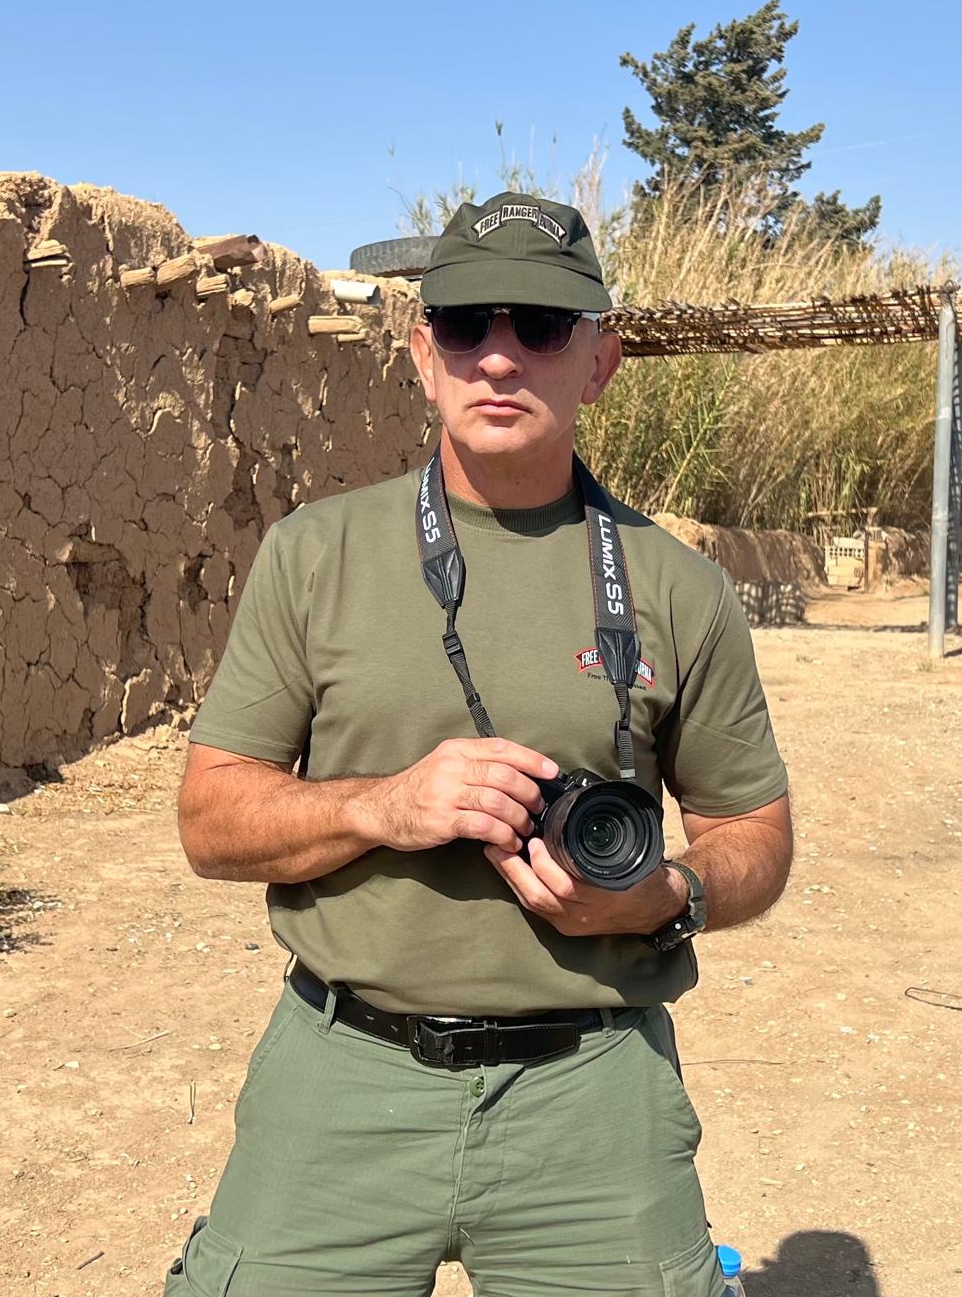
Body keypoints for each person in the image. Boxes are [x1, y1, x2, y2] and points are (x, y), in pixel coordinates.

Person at [165, 193, 794, 1296]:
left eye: (541, 327)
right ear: (422, 354)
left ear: (596, 361)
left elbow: (755, 833)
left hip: (593, 1093)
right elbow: (211, 823)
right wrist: (378, 807)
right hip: (340, 1078)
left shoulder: (680, 590)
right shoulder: (316, 554)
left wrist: (664, 896)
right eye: (465, 323)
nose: (498, 357)